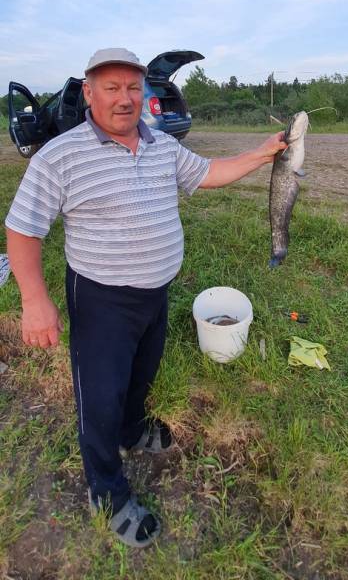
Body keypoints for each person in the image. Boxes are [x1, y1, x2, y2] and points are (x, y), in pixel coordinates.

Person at [6, 48, 286, 548]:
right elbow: (23, 231)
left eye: (133, 88)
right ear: (89, 93)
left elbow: (209, 172)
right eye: (111, 88)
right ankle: (107, 491)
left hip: (155, 292)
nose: (124, 98)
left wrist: (263, 153)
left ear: (145, 94)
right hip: (100, 299)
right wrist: (34, 301)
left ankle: (133, 430)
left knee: (142, 372)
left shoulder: (160, 145)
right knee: (100, 395)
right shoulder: (59, 155)